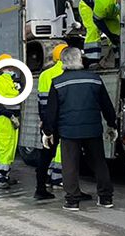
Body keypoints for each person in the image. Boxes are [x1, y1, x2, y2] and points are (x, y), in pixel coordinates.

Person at [42, 47, 117, 211]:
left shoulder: (58, 82)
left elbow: (51, 112)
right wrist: (112, 124)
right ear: (80, 60)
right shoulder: (95, 79)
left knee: (70, 165)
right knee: (99, 163)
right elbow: (107, 106)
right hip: (92, 129)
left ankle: (72, 201)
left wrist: (48, 132)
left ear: (63, 62)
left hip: (69, 132)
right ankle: (105, 198)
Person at [33, 43, 66, 200]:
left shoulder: (45, 74)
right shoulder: (66, 72)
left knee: (46, 152)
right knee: (62, 149)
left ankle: (43, 181)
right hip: (62, 118)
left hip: (47, 118)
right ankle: (57, 177)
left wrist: (43, 119)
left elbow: (41, 100)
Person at [0, 53, 21, 189]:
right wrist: (10, 116)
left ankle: (6, 174)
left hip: (13, 118)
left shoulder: (12, 81)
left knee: (11, 147)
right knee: (5, 146)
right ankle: (0, 177)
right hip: (4, 118)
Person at [79, 0, 121, 65]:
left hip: (110, 11)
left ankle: (118, 59)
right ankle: (92, 60)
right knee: (94, 29)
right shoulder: (103, 3)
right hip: (88, 6)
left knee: (118, 31)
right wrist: (110, 35)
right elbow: (97, 21)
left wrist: (115, 36)